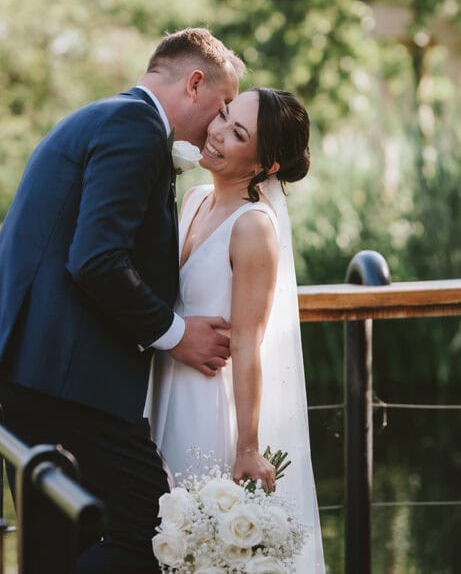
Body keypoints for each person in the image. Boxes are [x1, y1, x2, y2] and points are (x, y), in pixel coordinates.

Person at [0, 28, 245, 573]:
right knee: (153, 529)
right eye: (223, 105)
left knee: (65, 537)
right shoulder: (134, 127)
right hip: (59, 379)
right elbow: (96, 259)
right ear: (195, 83)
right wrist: (177, 335)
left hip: (29, 367)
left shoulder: (107, 117)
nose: (220, 122)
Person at [147, 87, 326, 572]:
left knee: (198, 543)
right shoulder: (195, 199)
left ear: (266, 165)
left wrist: (246, 447)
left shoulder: (254, 228)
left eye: (238, 133)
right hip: (165, 387)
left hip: (209, 405)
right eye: (223, 115)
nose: (218, 132)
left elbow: (249, 343)